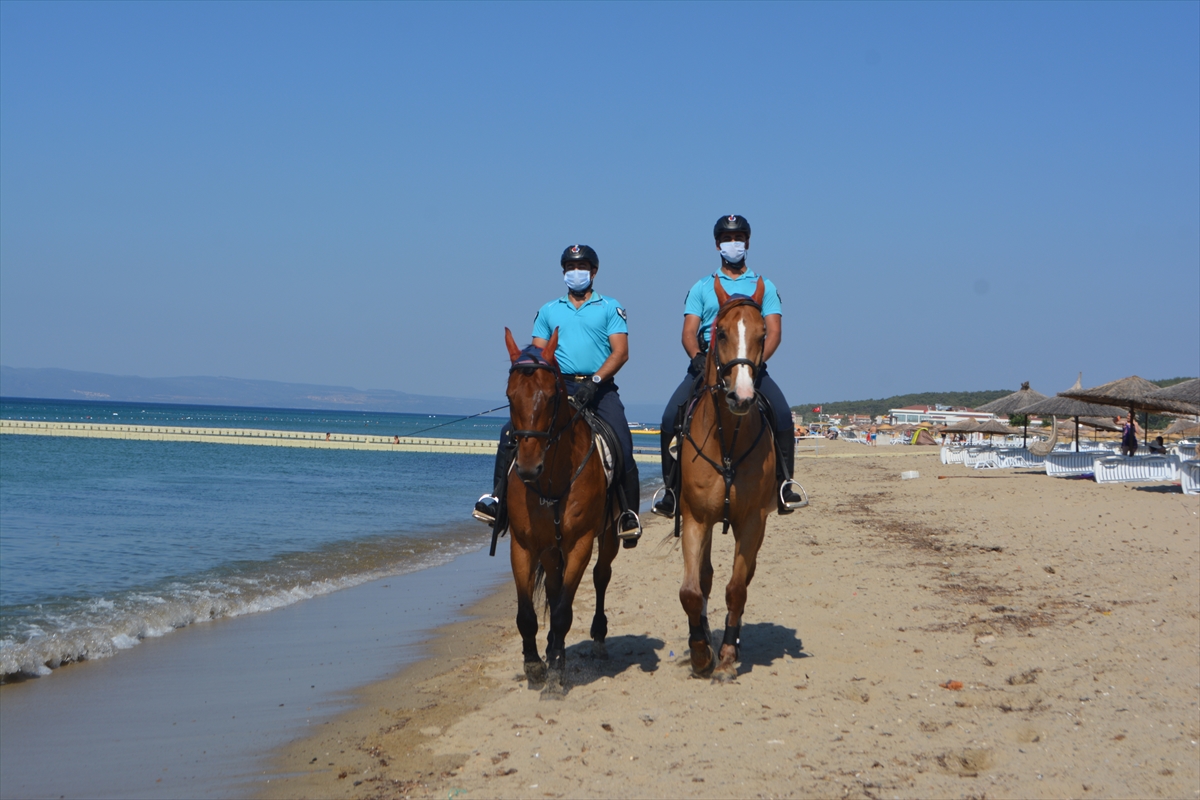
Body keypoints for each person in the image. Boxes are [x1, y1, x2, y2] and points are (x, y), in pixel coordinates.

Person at [473, 244, 642, 544]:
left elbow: (621, 352)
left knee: (622, 441)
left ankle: (628, 515)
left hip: (599, 389)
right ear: (564, 273)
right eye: (570, 268)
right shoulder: (549, 310)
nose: (576, 273)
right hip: (557, 388)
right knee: (509, 433)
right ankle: (498, 502)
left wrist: (595, 380)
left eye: (582, 268)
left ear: (594, 272)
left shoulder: (610, 307)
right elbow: (537, 355)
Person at [653, 214, 804, 518]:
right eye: (726, 239)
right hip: (707, 368)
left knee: (783, 415)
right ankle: (670, 490)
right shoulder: (701, 287)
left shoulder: (765, 286)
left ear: (747, 242)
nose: (732, 244)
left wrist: (756, 365)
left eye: (737, 238)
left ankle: (784, 483)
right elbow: (687, 331)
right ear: (717, 245)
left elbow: (773, 332)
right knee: (671, 416)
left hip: (751, 367)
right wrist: (697, 357)